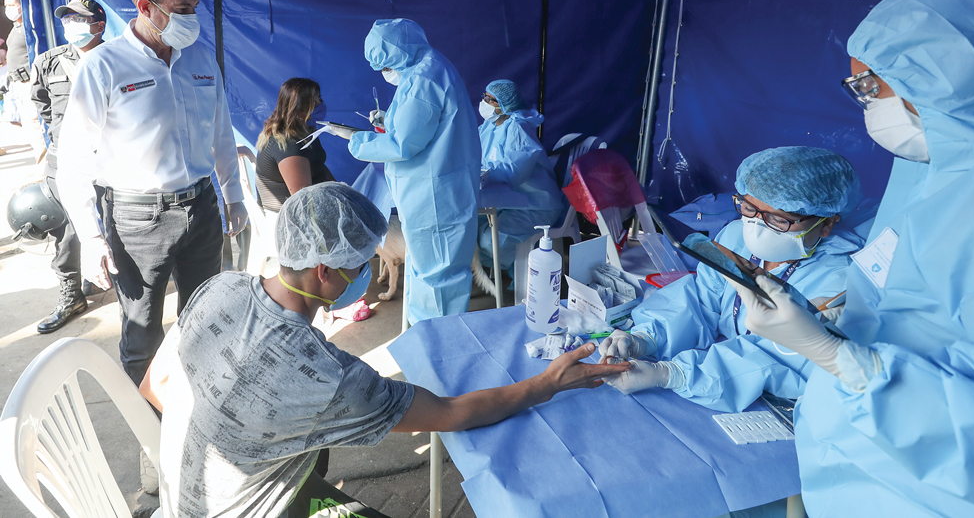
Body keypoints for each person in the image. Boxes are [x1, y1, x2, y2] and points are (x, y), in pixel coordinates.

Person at [139, 182, 627, 518]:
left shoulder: (220, 287)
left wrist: (246, 426)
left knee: (311, 448)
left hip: (185, 501)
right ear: (324, 273)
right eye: (361, 264)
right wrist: (548, 382)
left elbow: (154, 384)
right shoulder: (327, 379)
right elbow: (453, 413)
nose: (369, 274)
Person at [728, 0, 974, 517]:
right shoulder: (936, 165)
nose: (866, 102)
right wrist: (845, 320)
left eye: (873, 85)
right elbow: (915, 297)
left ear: (959, 80)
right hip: (853, 461)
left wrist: (838, 358)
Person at [57, 0, 248, 386]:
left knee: (205, 317)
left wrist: (232, 195)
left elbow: (220, 131)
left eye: (195, 7)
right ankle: (152, 429)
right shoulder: (104, 66)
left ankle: (198, 405)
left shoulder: (200, 58)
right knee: (143, 330)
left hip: (201, 207)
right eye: (181, 9)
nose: (191, 18)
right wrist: (90, 237)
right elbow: (73, 159)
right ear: (145, 8)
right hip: (138, 219)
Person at [599, 146, 864, 413]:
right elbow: (702, 299)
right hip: (714, 381)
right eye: (749, 208)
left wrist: (673, 374)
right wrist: (647, 336)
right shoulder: (735, 237)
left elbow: (780, 356)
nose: (757, 226)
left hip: (776, 402)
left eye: (779, 219)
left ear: (827, 223)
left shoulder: (840, 282)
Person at [337, 18, 481, 324]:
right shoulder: (428, 68)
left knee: (438, 280)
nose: (385, 72)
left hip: (435, 196)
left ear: (399, 53)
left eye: (386, 65)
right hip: (438, 190)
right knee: (428, 273)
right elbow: (424, 124)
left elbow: (404, 145)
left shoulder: (423, 80)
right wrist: (391, 119)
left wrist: (357, 140)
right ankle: (426, 346)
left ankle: (436, 355)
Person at [29, 0, 107, 333]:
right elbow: (42, 105)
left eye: (79, 19)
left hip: (110, 162)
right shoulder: (49, 62)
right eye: (67, 19)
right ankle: (71, 295)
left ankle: (116, 282)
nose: (70, 25)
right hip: (65, 161)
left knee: (116, 227)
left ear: (99, 26)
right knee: (67, 233)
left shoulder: (117, 59)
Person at [477, 79, 565, 270]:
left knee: (489, 241)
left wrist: (483, 172)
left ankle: (521, 273)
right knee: (468, 230)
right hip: (512, 201)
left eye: (491, 100)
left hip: (537, 205)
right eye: (484, 96)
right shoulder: (490, 126)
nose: (484, 102)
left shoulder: (518, 128)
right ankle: (503, 270)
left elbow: (513, 172)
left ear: (506, 105)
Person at [254, 77, 335, 213]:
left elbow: (318, 166)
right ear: (298, 110)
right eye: (314, 103)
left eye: (319, 99)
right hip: (292, 220)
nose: (320, 104)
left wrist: (342, 191)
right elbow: (304, 203)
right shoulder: (289, 147)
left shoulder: (304, 130)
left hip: (313, 204)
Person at [3, 0, 46, 163]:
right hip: (17, 82)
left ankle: (44, 164)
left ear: (23, 6)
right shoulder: (16, 28)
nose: (9, 9)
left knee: (34, 121)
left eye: (13, 5)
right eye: (7, 6)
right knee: (28, 123)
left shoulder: (30, 27)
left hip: (28, 81)